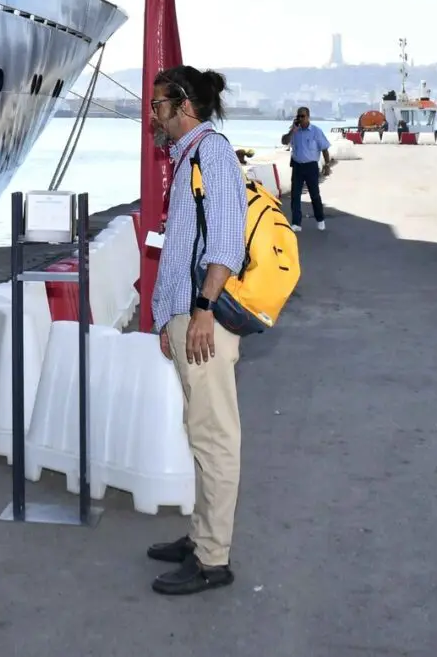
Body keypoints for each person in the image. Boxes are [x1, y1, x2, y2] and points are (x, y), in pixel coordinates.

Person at [144, 65, 246, 596]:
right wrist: (169, 318)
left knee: (215, 439)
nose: (153, 116)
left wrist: (203, 310)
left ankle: (213, 559)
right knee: (200, 433)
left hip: (206, 317)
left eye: (159, 106)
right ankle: (201, 535)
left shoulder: (213, 156)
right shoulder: (191, 160)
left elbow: (227, 244)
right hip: (188, 316)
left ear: (185, 105)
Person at [284, 106, 331, 232]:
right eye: (298, 116)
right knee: (295, 196)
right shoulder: (294, 131)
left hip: (311, 167)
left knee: (314, 195)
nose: (300, 118)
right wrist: (292, 130)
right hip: (297, 166)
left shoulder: (316, 131)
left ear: (308, 117)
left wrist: (327, 165)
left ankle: (320, 219)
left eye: (302, 116)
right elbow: (284, 141)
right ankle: (296, 223)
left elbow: (324, 149)